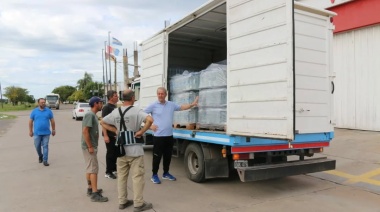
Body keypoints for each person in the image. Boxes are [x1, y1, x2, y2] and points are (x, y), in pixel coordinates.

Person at [101, 89, 153, 211]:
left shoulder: (115, 111)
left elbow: (102, 122)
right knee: (137, 177)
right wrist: (141, 131)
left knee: (122, 177)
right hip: (135, 150)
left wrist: (115, 131)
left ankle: (122, 201)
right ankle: (139, 204)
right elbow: (150, 120)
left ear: (122, 98)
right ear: (133, 98)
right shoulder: (136, 111)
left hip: (120, 149)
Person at [144, 87, 198, 184]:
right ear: (157, 95)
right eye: (159, 94)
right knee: (157, 157)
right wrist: (149, 126)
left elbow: (181, 107)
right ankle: (154, 175)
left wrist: (192, 105)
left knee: (167, 156)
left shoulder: (171, 105)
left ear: (165, 94)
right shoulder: (153, 105)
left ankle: (166, 173)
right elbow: (142, 114)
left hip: (169, 136)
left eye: (162, 93)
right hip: (158, 137)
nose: (160, 95)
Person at [81, 96, 108, 202]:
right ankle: (95, 193)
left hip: (89, 146)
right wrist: (90, 146)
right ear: (96, 104)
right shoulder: (90, 115)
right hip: (89, 146)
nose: (102, 105)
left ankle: (90, 188)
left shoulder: (93, 115)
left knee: (89, 168)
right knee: (93, 169)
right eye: (101, 103)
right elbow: (85, 131)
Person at [29, 98, 56, 166]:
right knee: (37, 146)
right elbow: (30, 121)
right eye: (42, 102)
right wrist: (30, 131)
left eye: (44, 102)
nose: (43, 103)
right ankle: (40, 155)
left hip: (46, 133)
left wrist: (53, 129)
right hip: (37, 133)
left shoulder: (49, 111)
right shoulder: (34, 111)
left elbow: (52, 121)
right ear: (38, 103)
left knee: (45, 146)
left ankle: (45, 160)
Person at [101, 90, 119, 179]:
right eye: (116, 96)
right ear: (111, 97)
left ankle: (113, 168)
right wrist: (105, 135)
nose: (118, 97)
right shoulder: (106, 107)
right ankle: (108, 172)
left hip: (115, 134)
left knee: (115, 152)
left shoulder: (114, 107)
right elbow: (103, 122)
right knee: (110, 153)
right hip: (109, 134)